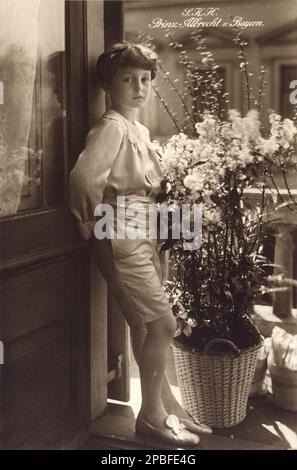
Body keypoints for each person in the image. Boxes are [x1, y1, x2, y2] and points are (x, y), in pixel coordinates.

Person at [68, 42, 212, 446]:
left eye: (146, 79)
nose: (139, 87)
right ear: (108, 86)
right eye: (128, 79)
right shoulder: (112, 126)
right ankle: (150, 417)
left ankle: (165, 405)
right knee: (163, 324)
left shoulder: (139, 130)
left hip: (145, 231)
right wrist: (89, 226)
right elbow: (83, 181)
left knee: (146, 324)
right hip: (123, 233)